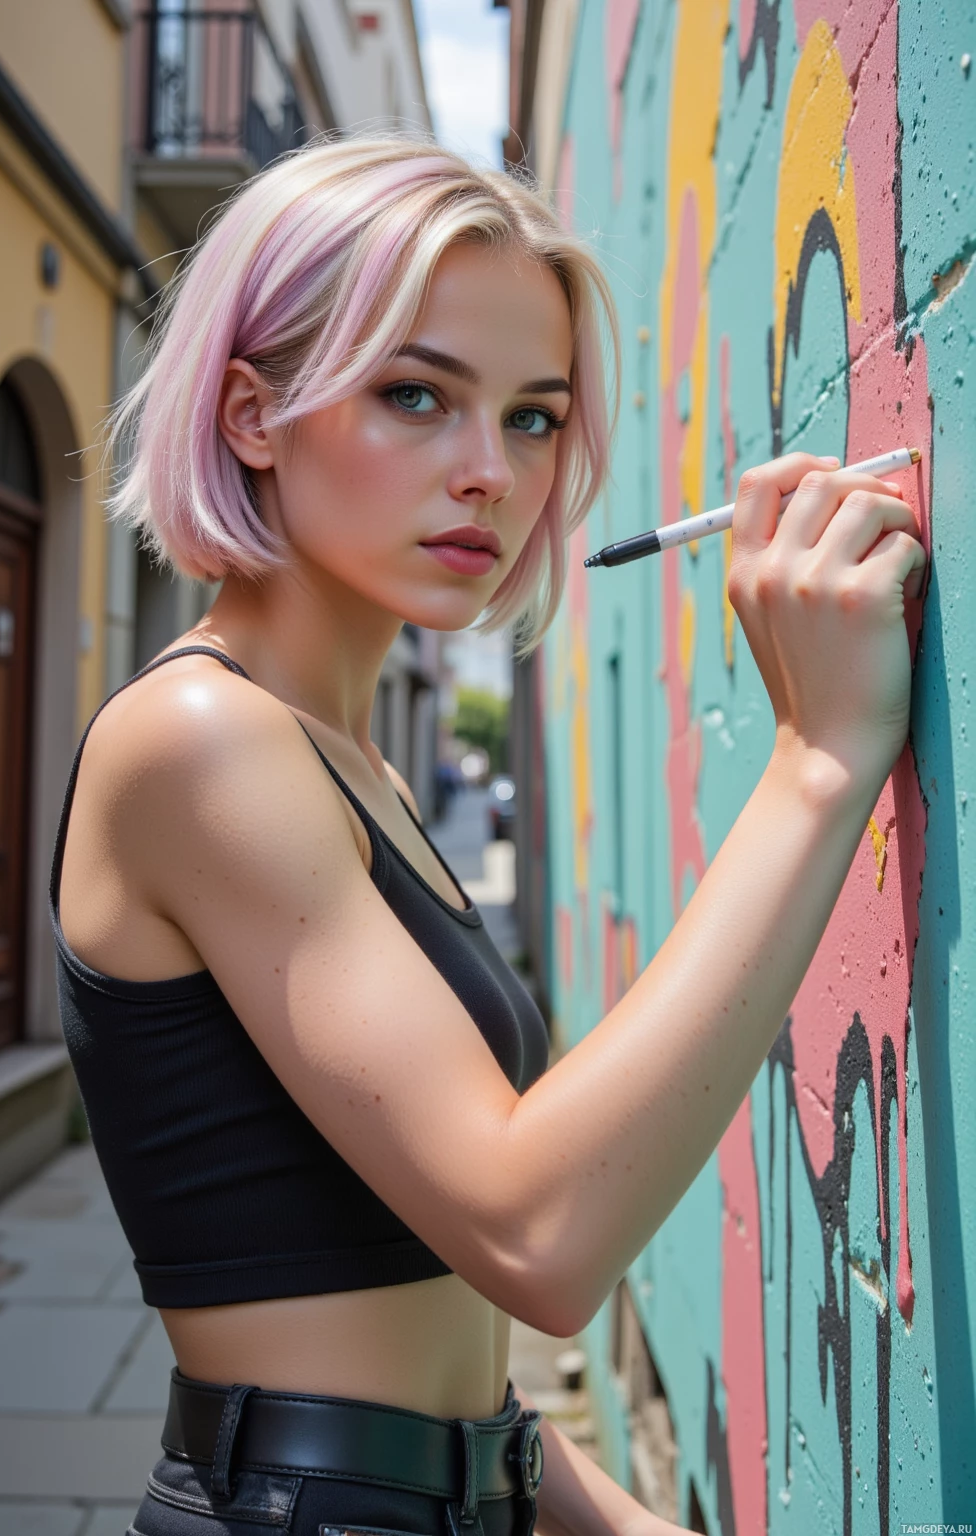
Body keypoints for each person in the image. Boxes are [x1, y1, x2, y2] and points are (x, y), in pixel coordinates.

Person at [51, 136, 926, 1536]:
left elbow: (419, 1345)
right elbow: (536, 1233)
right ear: (250, 412)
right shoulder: (203, 745)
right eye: (417, 394)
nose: (491, 473)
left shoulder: (348, 763)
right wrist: (818, 761)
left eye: (533, 416)